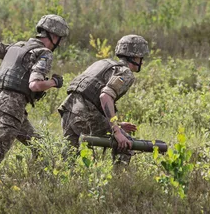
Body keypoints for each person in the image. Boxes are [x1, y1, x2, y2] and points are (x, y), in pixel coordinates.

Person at [0, 14, 69, 166]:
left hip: (2, 105)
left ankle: (34, 177)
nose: (59, 44)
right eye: (60, 38)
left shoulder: (17, 46)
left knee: (40, 147)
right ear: (53, 35)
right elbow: (35, 85)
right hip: (11, 108)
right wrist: (54, 82)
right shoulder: (43, 53)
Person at [58, 34, 149, 163]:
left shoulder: (103, 63)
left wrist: (117, 124)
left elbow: (90, 95)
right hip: (84, 115)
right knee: (126, 144)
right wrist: (116, 130)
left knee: (69, 158)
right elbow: (105, 96)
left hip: (68, 110)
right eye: (141, 57)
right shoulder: (125, 73)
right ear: (134, 57)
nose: (142, 61)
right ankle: (119, 181)